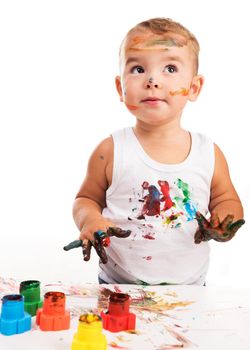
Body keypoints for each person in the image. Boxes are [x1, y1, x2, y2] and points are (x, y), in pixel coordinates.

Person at [72, 17, 244, 285]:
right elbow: (85, 199)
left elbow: (226, 200)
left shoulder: (208, 152)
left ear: (195, 87)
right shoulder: (111, 150)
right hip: (118, 286)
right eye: (138, 69)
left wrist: (224, 219)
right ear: (121, 87)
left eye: (170, 68)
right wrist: (90, 219)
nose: (152, 80)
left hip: (190, 288)